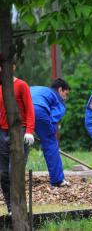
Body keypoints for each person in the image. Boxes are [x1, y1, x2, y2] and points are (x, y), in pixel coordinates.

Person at [0, 61, 35, 214]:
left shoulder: (21, 85)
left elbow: (30, 109)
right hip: (2, 133)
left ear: (13, 66)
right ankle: (10, 208)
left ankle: (19, 208)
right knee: (3, 173)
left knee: (14, 172)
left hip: (19, 132)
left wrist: (29, 130)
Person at [31, 78, 71, 187]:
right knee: (50, 144)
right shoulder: (58, 100)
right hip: (39, 110)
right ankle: (58, 180)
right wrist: (47, 135)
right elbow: (52, 121)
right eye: (66, 94)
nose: (65, 98)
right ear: (60, 90)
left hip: (20, 109)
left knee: (19, 145)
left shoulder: (37, 89)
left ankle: (12, 178)